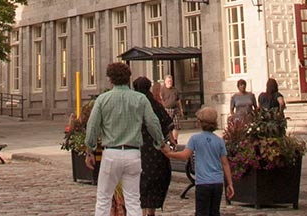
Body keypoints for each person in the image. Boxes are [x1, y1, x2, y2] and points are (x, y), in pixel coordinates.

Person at [87, 62, 163, 216]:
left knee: (103, 198)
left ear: (111, 79)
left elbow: (92, 126)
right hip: (132, 153)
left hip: (111, 153)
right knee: (133, 199)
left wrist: (90, 149)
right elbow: (153, 123)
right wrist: (159, 142)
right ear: (129, 78)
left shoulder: (102, 99)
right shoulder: (140, 99)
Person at [163, 107, 233, 216]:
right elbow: (225, 164)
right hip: (217, 182)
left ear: (200, 123)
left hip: (203, 182)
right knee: (214, 212)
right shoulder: (219, 141)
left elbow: (184, 155)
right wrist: (230, 183)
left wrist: (169, 154)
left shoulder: (195, 139)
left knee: (201, 212)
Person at [132, 76, 175, 213]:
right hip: (155, 150)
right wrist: (166, 142)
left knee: (140, 182)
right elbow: (166, 123)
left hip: (137, 150)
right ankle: (150, 211)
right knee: (154, 180)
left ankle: (143, 211)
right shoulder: (155, 104)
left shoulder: (133, 105)